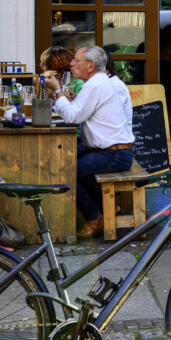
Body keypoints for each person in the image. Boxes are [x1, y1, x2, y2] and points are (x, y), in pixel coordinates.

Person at [43, 45, 134, 238]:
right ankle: (108, 209)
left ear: (91, 65)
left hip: (114, 154)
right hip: (112, 150)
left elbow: (72, 117)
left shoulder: (95, 85)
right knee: (68, 160)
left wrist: (57, 90)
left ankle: (95, 218)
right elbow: (78, 111)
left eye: (76, 60)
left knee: (65, 172)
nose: (71, 63)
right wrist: (71, 98)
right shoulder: (96, 83)